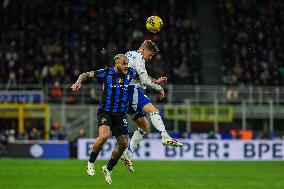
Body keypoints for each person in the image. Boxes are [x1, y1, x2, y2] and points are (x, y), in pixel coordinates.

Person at [71, 54, 138, 184]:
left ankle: (108, 168)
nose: (126, 66)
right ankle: (91, 162)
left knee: (123, 144)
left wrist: (156, 82)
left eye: (127, 63)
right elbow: (86, 74)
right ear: (116, 64)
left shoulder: (131, 72)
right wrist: (78, 81)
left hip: (120, 114)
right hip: (105, 112)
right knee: (104, 137)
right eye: (123, 63)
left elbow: (144, 77)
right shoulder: (106, 73)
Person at [120, 40, 183, 173]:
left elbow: (140, 74)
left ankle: (128, 154)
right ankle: (165, 136)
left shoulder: (130, 54)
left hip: (124, 92)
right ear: (143, 50)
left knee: (144, 126)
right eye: (150, 54)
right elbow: (143, 80)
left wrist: (155, 80)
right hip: (132, 91)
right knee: (154, 111)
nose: (150, 57)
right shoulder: (139, 58)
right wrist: (159, 87)